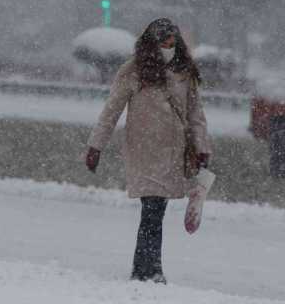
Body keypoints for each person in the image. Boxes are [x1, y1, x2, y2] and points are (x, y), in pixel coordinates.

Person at [85, 18, 214, 284]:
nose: (169, 44)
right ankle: (150, 269)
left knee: (156, 210)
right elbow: (112, 110)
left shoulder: (184, 71)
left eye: (172, 40)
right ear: (152, 42)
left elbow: (195, 114)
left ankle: (143, 268)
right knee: (153, 208)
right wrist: (95, 145)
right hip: (144, 150)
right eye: (164, 40)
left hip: (172, 152)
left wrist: (202, 147)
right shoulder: (133, 71)